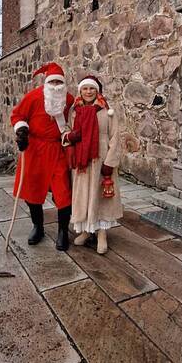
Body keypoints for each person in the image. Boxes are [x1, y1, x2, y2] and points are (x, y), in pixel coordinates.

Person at [11, 62, 73, 250]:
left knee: (63, 192)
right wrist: (21, 131)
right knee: (33, 190)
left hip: (56, 149)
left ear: (63, 84)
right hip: (34, 149)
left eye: (59, 82)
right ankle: (37, 227)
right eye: (52, 82)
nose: (55, 86)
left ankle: (63, 231)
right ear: (46, 83)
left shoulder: (68, 99)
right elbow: (17, 115)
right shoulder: (33, 97)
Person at [63, 75, 123, 254]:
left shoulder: (106, 110)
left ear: (97, 91)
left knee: (101, 196)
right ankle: (86, 230)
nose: (88, 92)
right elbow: (66, 131)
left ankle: (102, 233)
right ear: (80, 91)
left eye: (92, 89)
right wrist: (71, 136)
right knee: (84, 195)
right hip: (82, 159)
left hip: (101, 157)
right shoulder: (74, 111)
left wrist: (110, 162)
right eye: (85, 89)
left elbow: (115, 137)